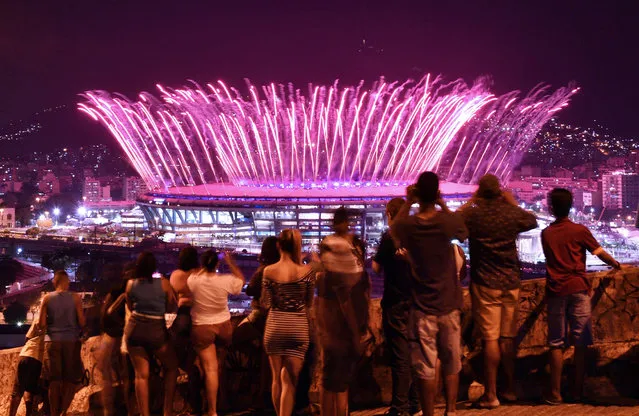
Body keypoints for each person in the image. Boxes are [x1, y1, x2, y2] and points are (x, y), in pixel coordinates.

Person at [392, 172, 468, 416]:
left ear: (417, 193)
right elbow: (462, 230)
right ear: (436, 192)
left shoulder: (410, 226)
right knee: (451, 363)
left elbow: (394, 227)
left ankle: (428, 414)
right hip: (449, 303)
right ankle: (452, 410)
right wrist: (442, 202)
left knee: (425, 367)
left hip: (422, 306)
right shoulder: (446, 223)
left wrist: (409, 201)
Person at [458, 174, 538, 408]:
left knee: (490, 339)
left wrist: (471, 200)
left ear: (480, 192)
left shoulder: (473, 214)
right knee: (507, 340)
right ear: (499, 193)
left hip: (485, 283)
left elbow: (453, 223)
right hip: (511, 282)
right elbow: (531, 221)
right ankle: (510, 389)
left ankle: (491, 394)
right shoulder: (510, 214)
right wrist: (512, 204)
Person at [541, 188, 623, 404]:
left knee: (555, 343)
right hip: (578, 288)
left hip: (556, 290)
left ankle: (555, 393)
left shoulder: (546, 234)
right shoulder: (579, 231)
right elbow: (599, 252)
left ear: (551, 207)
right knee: (580, 343)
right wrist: (615, 264)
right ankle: (577, 391)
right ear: (570, 207)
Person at [318, 207, 370, 416]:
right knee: (337, 383)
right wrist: (357, 333)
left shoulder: (328, 274)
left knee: (333, 381)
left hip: (335, 333)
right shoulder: (338, 274)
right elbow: (345, 302)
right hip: (341, 332)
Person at [373, 197, 420, 416]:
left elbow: (376, 268)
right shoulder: (417, 234)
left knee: (399, 356)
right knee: (413, 354)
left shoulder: (390, 236)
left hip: (395, 301)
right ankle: (414, 403)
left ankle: (399, 407)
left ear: (390, 214)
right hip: (416, 301)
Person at [261, 229, 316, 416]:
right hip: (297, 328)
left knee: (276, 378)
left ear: (278, 246)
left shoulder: (268, 271)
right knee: (290, 382)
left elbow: (265, 303)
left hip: (275, 326)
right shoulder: (307, 272)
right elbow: (309, 303)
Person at [188, 249, 245, 416]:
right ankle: (223, 402)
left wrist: (204, 266)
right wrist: (231, 263)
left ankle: (211, 410)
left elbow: (196, 274)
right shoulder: (224, 280)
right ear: (217, 264)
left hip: (202, 327)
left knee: (210, 369)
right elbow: (241, 280)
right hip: (223, 327)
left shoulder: (194, 280)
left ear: (202, 264)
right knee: (219, 367)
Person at [125, 252, 178, 416]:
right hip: (156, 331)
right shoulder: (164, 284)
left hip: (135, 331)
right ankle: (167, 411)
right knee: (172, 367)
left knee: (141, 376)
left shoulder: (130, 284)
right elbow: (171, 306)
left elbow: (131, 306)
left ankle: (144, 413)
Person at [233, 236, 280, 413]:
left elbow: (251, 289)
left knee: (234, 337)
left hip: (260, 315)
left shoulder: (263, 270)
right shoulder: (279, 269)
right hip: (274, 316)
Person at [39, 270, 86, 416]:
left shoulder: (47, 298)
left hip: (52, 341)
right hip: (70, 342)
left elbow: (41, 324)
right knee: (69, 380)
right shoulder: (76, 298)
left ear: (55, 282)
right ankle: (63, 412)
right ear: (66, 282)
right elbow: (82, 322)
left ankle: (53, 413)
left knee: (54, 380)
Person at [169, 246, 203, 414]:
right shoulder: (201, 275)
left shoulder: (177, 275)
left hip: (183, 317)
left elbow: (175, 297)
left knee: (175, 355)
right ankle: (197, 403)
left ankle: (186, 400)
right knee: (196, 360)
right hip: (201, 317)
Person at [99, 262, 135, 416]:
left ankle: (109, 410)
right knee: (128, 376)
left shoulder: (117, 291)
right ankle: (130, 409)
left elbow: (106, 313)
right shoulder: (139, 290)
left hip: (112, 336)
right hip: (130, 336)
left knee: (106, 374)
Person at [9, 305, 45, 416]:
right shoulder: (57, 325)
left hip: (26, 354)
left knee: (17, 390)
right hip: (38, 359)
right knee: (30, 389)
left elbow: (27, 337)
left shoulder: (39, 319)